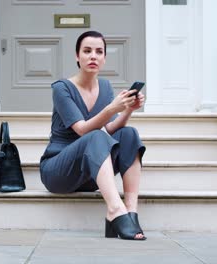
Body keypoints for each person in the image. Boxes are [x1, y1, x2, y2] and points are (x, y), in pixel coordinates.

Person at [39, 31, 146, 240]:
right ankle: (115, 209)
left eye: (99, 52)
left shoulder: (105, 87)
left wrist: (128, 109)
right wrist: (111, 108)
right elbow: (82, 129)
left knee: (130, 134)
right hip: (58, 171)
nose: (93, 56)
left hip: (90, 172)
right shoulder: (62, 88)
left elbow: (110, 129)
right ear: (77, 56)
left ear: (105, 58)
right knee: (95, 136)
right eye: (87, 51)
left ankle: (130, 211)